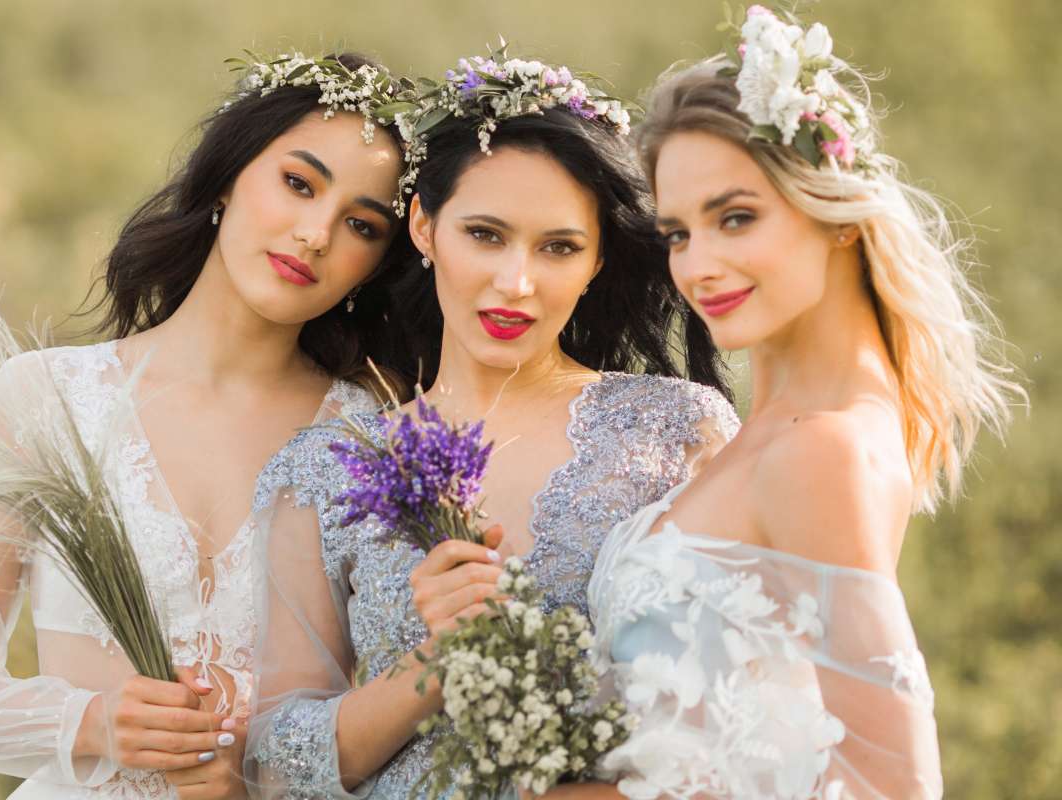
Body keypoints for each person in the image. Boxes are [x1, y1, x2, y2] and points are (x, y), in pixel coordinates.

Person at [0, 52, 419, 799]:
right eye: (299, 184)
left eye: (361, 224)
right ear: (228, 178)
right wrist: (93, 723)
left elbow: (395, 712)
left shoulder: (375, 441)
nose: (315, 234)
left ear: (379, 263)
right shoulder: (47, 400)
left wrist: (263, 779)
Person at [244, 51, 738, 798]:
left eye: (559, 247)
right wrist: (437, 661)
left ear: (598, 260)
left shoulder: (677, 431)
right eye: (485, 234)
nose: (516, 282)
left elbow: (744, 712)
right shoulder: (328, 465)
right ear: (423, 225)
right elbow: (277, 766)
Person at [572, 8, 1022, 799]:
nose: (699, 266)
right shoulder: (764, 432)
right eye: (678, 234)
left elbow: (895, 782)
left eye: (736, 217)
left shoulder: (824, 449)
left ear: (833, 211)